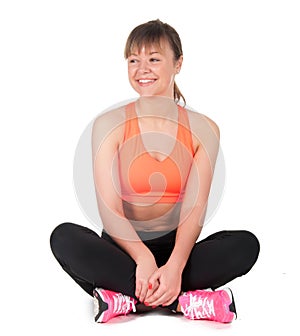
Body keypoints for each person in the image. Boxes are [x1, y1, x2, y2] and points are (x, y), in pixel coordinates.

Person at [50, 19, 260, 324]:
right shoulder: (108, 125)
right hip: (123, 249)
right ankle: (183, 301)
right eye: (133, 60)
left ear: (178, 63)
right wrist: (143, 258)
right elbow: (109, 209)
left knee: (245, 244)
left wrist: (174, 266)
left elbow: (195, 207)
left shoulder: (205, 129)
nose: (141, 69)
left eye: (154, 59)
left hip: (177, 250)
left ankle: (125, 299)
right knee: (64, 238)